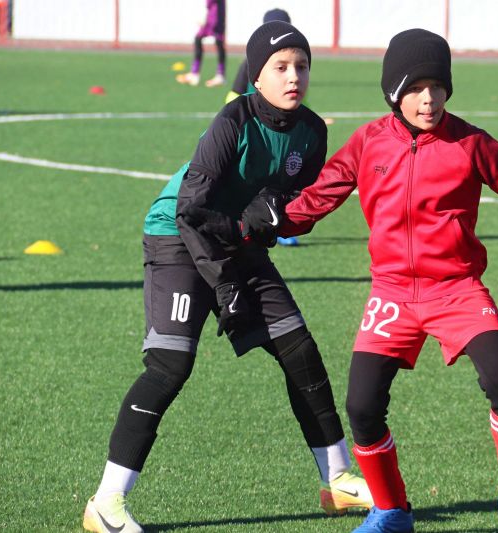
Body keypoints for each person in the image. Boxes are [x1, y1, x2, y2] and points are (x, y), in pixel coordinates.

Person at [240, 28, 498, 533]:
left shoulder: (470, 143)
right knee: (362, 406)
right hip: (393, 293)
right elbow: (319, 198)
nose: (429, 99)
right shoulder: (368, 142)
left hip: (458, 289)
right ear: (393, 92)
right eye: (416, 88)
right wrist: (272, 221)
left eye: (438, 87)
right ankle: (391, 510)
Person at [83, 21, 372, 533]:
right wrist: (225, 282)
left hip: (234, 239)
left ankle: (338, 480)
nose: (294, 76)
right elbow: (191, 211)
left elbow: (295, 206)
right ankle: (105, 503)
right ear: (256, 76)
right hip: (178, 235)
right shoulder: (232, 121)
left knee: (299, 348)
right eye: (280, 67)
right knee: (170, 365)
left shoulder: (312, 131)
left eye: (302, 66)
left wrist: (276, 211)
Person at [224, 7, 301, 247]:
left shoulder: (292, 64)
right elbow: (232, 96)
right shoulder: (251, 62)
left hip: (280, 133)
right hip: (253, 130)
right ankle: (242, 224)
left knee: (282, 182)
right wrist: (233, 121)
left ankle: (280, 227)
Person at [176, 0, 227, 88]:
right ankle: (199, 73)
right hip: (214, 13)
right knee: (213, 41)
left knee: (215, 41)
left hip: (215, 15)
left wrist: (205, 16)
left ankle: (217, 75)